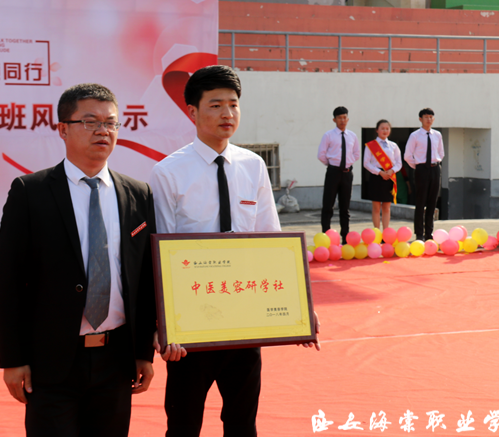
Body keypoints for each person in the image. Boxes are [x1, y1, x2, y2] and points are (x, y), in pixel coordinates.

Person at [149, 65, 320, 437]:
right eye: (215, 105)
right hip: (190, 327)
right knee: (183, 424)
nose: (227, 113)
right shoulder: (168, 173)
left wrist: (300, 310)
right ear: (192, 111)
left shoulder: (253, 165)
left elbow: (272, 241)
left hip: (245, 320)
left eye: (233, 104)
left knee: (243, 423)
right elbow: (161, 255)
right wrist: (164, 326)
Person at [0, 83, 157, 437]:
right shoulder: (30, 192)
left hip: (117, 359)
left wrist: (143, 351)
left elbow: (144, 279)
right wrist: (13, 359)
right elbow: (10, 283)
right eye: (90, 121)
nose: (103, 131)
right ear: (62, 129)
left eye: (111, 123)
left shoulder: (138, 194)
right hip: (52, 360)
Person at [317, 107, 360, 245]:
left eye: (344, 117)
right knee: (328, 205)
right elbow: (321, 154)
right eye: (339, 118)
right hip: (333, 173)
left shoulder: (352, 136)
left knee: (345, 207)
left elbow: (356, 154)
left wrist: (347, 163)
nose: (342, 120)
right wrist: (332, 165)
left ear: (348, 119)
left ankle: (345, 237)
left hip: (347, 174)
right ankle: (325, 236)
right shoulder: (328, 135)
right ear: (334, 119)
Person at [404, 108, 444, 241]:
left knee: (433, 201)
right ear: (420, 119)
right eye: (426, 117)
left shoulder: (437, 135)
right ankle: (419, 234)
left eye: (431, 117)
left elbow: (441, 153)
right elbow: (407, 155)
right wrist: (418, 166)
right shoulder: (415, 135)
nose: (429, 119)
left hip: (435, 168)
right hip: (421, 169)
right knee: (421, 202)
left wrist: (434, 164)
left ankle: (429, 233)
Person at [364, 119, 402, 229]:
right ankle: (377, 232)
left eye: (387, 129)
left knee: (386, 207)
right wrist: (379, 172)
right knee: (376, 208)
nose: (385, 131)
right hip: (376, 176)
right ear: (377, 130)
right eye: (382, 128)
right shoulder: (370, 145)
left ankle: (386, 233)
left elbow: (399, 163)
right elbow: (366, 163)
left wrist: (392, 171)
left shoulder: (393, 146)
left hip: (389, 177)